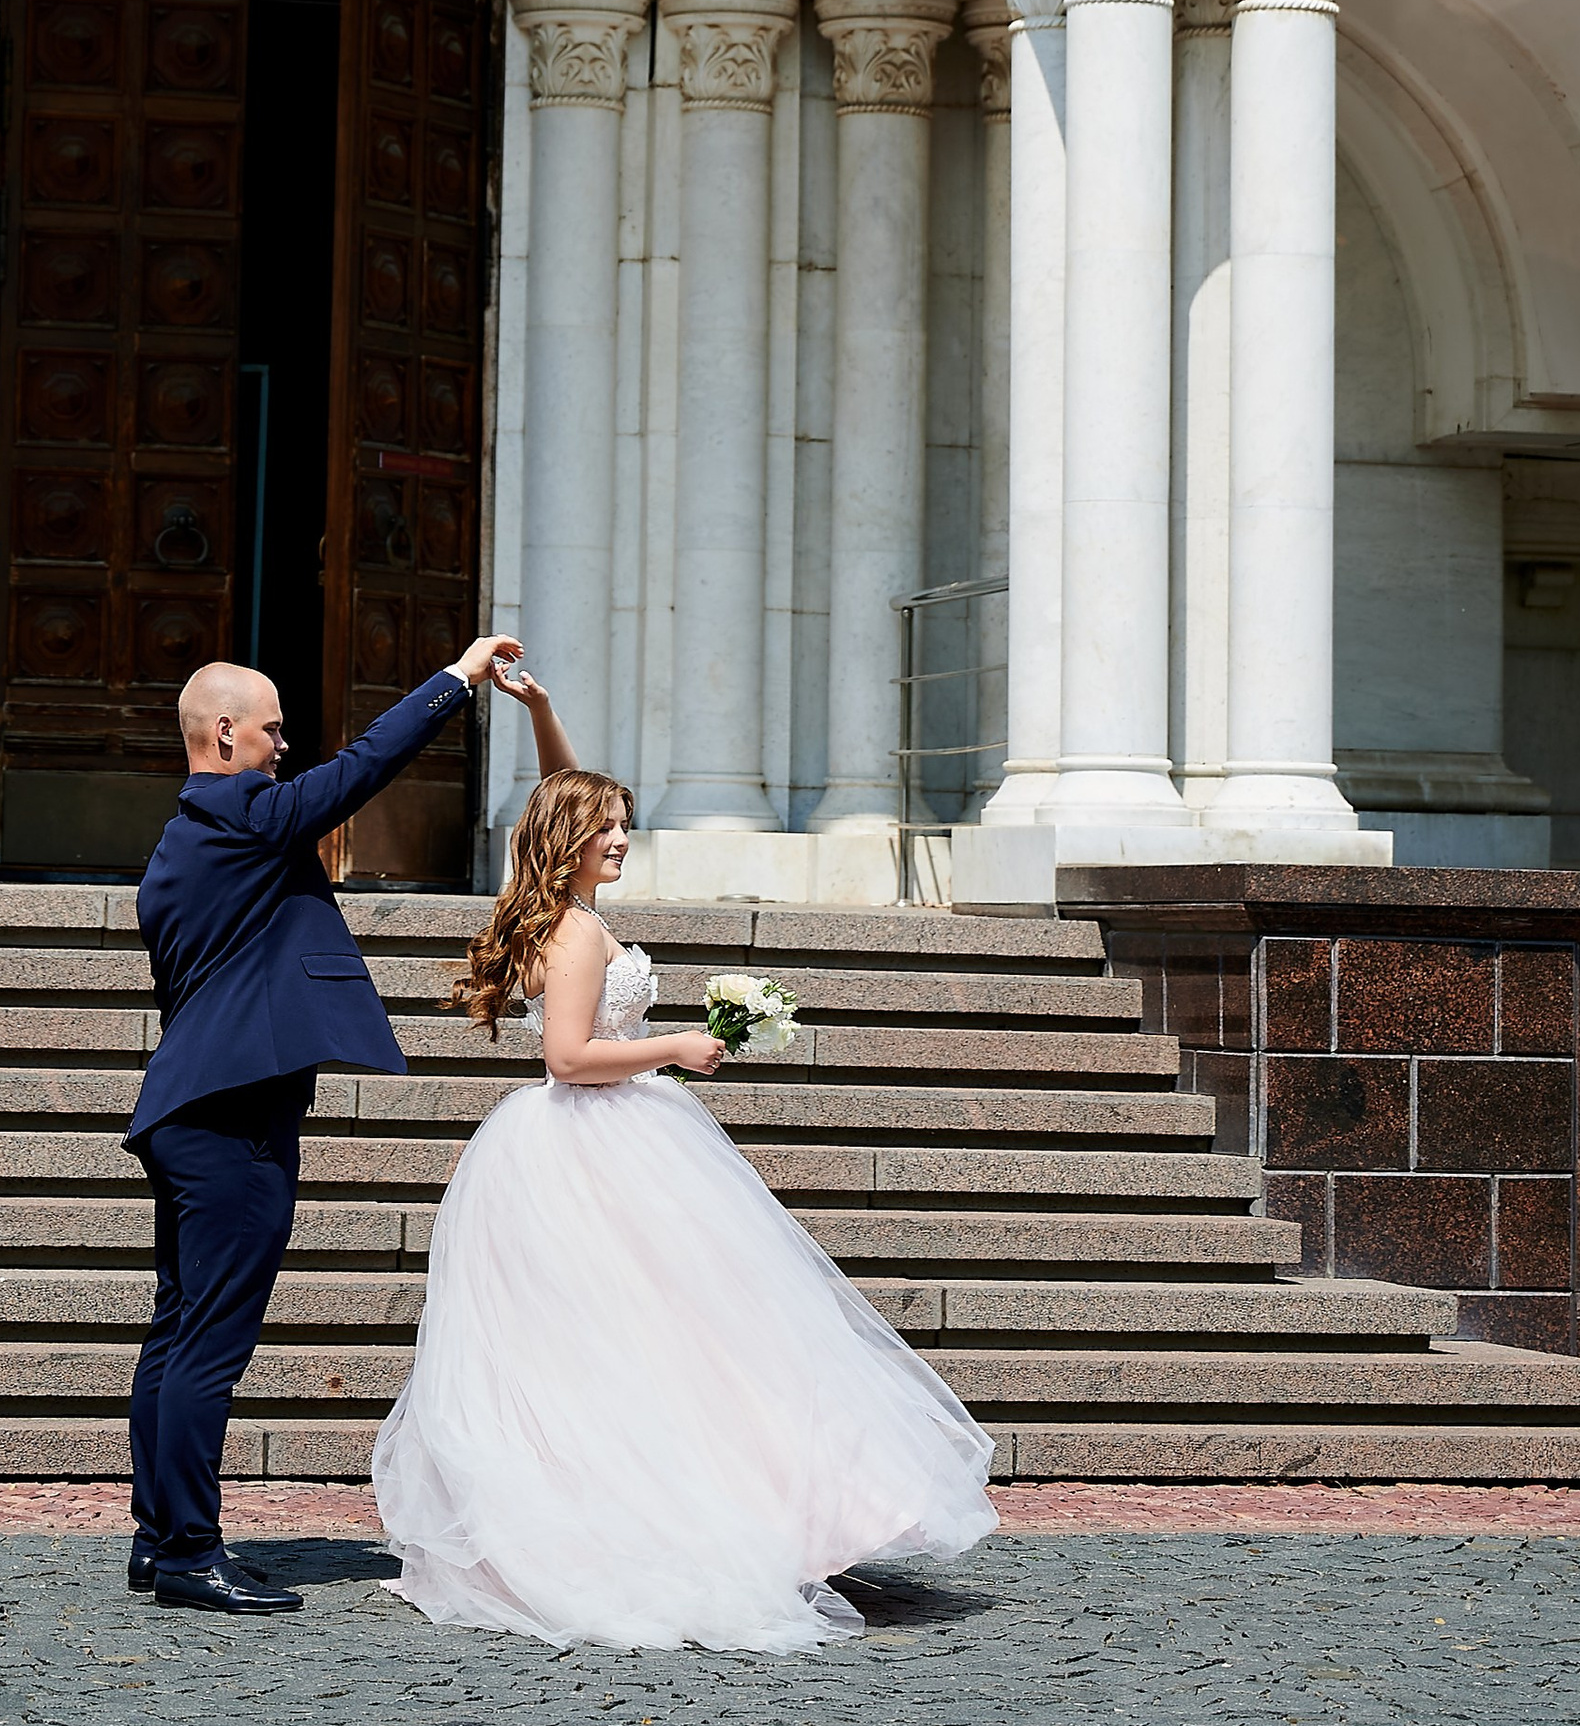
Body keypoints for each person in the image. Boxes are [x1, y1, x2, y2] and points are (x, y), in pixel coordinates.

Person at [372, 661, 998, 1652]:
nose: (619, 840)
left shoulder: (553, 905)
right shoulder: (572, 934)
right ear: (567, 845)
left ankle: (715, 1506)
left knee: (664, 1338)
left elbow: (555, 797)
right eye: (603, 830)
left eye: (623, 825)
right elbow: (569, 1057)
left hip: (599, 1142)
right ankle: (666, 1521)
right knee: (657, 1335)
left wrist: (540, 710)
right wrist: (672, 1046)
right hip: (593, 1143)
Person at [126, 631, 523, 1613]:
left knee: (177, 1332)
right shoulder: (244, 814)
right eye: (270, 730)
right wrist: (457, 681)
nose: (283, 747)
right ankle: (185, 1551)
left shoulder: (180, 843)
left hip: (192, 1109)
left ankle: (160, 1535)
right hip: (230, 1119)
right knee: (207, 1340)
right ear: (223, 734)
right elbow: (359, 772)